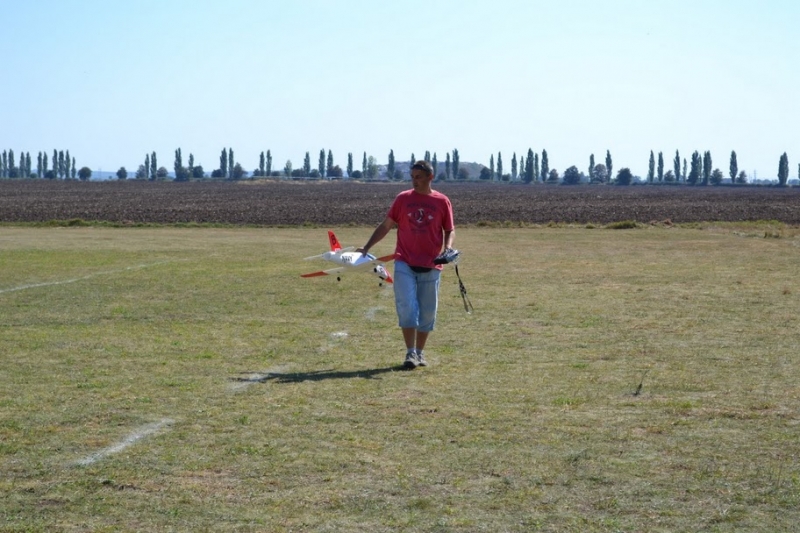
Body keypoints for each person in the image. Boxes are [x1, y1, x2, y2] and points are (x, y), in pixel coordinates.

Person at [357, 160, 455, 369]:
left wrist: (447, 248)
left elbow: (449, 229)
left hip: (431, 264)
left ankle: (420, 352)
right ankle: (410, 353)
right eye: (412, 177)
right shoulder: (403, 199)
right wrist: (366, 248)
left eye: (418, 177)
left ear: (430, 177)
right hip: (404, 261)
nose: (414, 181)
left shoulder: (442, 201)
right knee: (407, 307)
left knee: (428, 312)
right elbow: (386, 225)